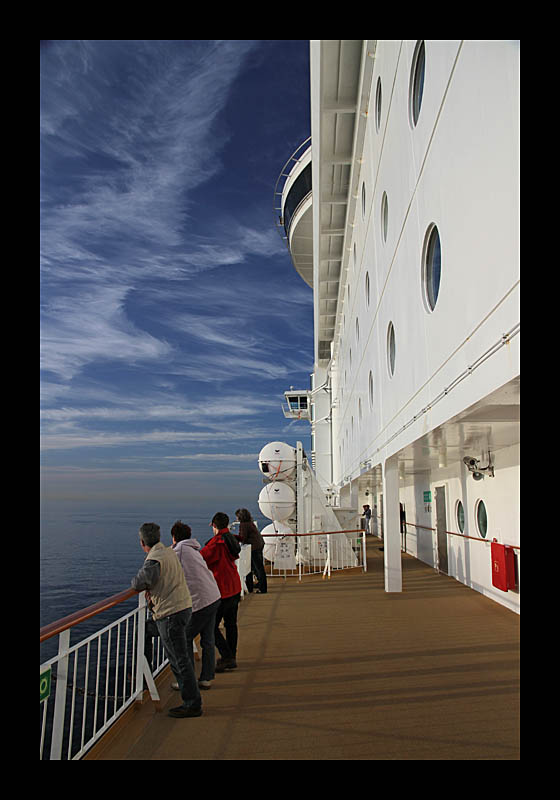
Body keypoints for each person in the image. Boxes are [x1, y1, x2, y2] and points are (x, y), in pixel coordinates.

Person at [130, 522, 202, 719]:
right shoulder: (168, 552)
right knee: (145, 630)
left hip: (171, 613)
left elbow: (138, 583)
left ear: (142, 542)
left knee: (180, 660)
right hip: (183, 607)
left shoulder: (154, 560)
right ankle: (146, 672)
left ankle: (192, 704)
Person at [171, 520, 221, 690]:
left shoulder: (179, 550)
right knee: (207, 639)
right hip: (213, 596)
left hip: (201, 601)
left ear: (174, 537)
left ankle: (187, 680)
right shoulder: (194, 550)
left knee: (183, 638)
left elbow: (165, 570)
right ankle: (206, 678)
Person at [200, 512, 241, 672]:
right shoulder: (230, 538)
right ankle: (231, 656)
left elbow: (201, 559)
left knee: (209, 627)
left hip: (222, 589)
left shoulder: (217, 543)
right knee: (231, 624)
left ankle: (227, 656)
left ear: (214, 526)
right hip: (234, 586)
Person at [235, 508, 267, 594]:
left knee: (258, 568)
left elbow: (243, 537)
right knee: (254, 567)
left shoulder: (244, 525)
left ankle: (262, 588)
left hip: (254, 547)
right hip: (258, 545)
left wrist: (234, 538)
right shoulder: (249, 523)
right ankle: (258, 584)